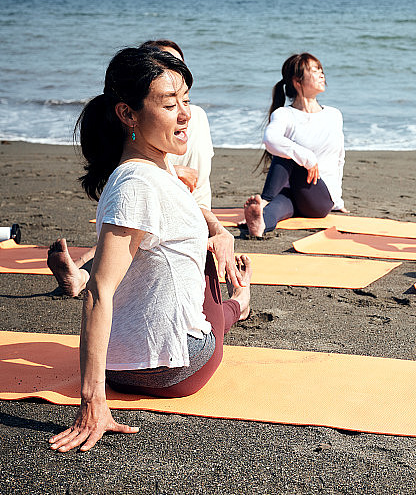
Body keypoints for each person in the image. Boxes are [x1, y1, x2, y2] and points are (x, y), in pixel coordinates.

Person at [49, 47, 252, 453]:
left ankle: (237, 302)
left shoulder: (147, 171)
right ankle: (239, 304)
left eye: (187, 101)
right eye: (169, 103)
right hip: (174, 371)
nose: (185, 114)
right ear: (128, 114)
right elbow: (99, 292)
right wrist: (93, 403)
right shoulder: (138, 183)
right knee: (215, 272)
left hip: (121, 365)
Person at [47, 39, 243, 296]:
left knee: (125, 240)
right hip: (166, 227)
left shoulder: (187, 121)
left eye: (176, 67)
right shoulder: (139, 168)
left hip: (192, 214)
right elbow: (101, 294)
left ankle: (80, 274)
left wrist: (218, 228)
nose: (171, 74)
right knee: (126, 238)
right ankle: (81, 275)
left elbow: (195, 179)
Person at [243, 53, 347, 237]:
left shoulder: (334, 115)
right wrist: (308, 158)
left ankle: (265, 200)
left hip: (320, 199)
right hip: (292, 194)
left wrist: (337, 201)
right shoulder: (284, 114)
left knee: (288, 154)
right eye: (314, 70)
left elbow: (339, 159)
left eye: (321, 70)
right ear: (297, 81)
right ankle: (260, 224)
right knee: (276, 209)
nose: (322, 74)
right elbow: (270, 139)